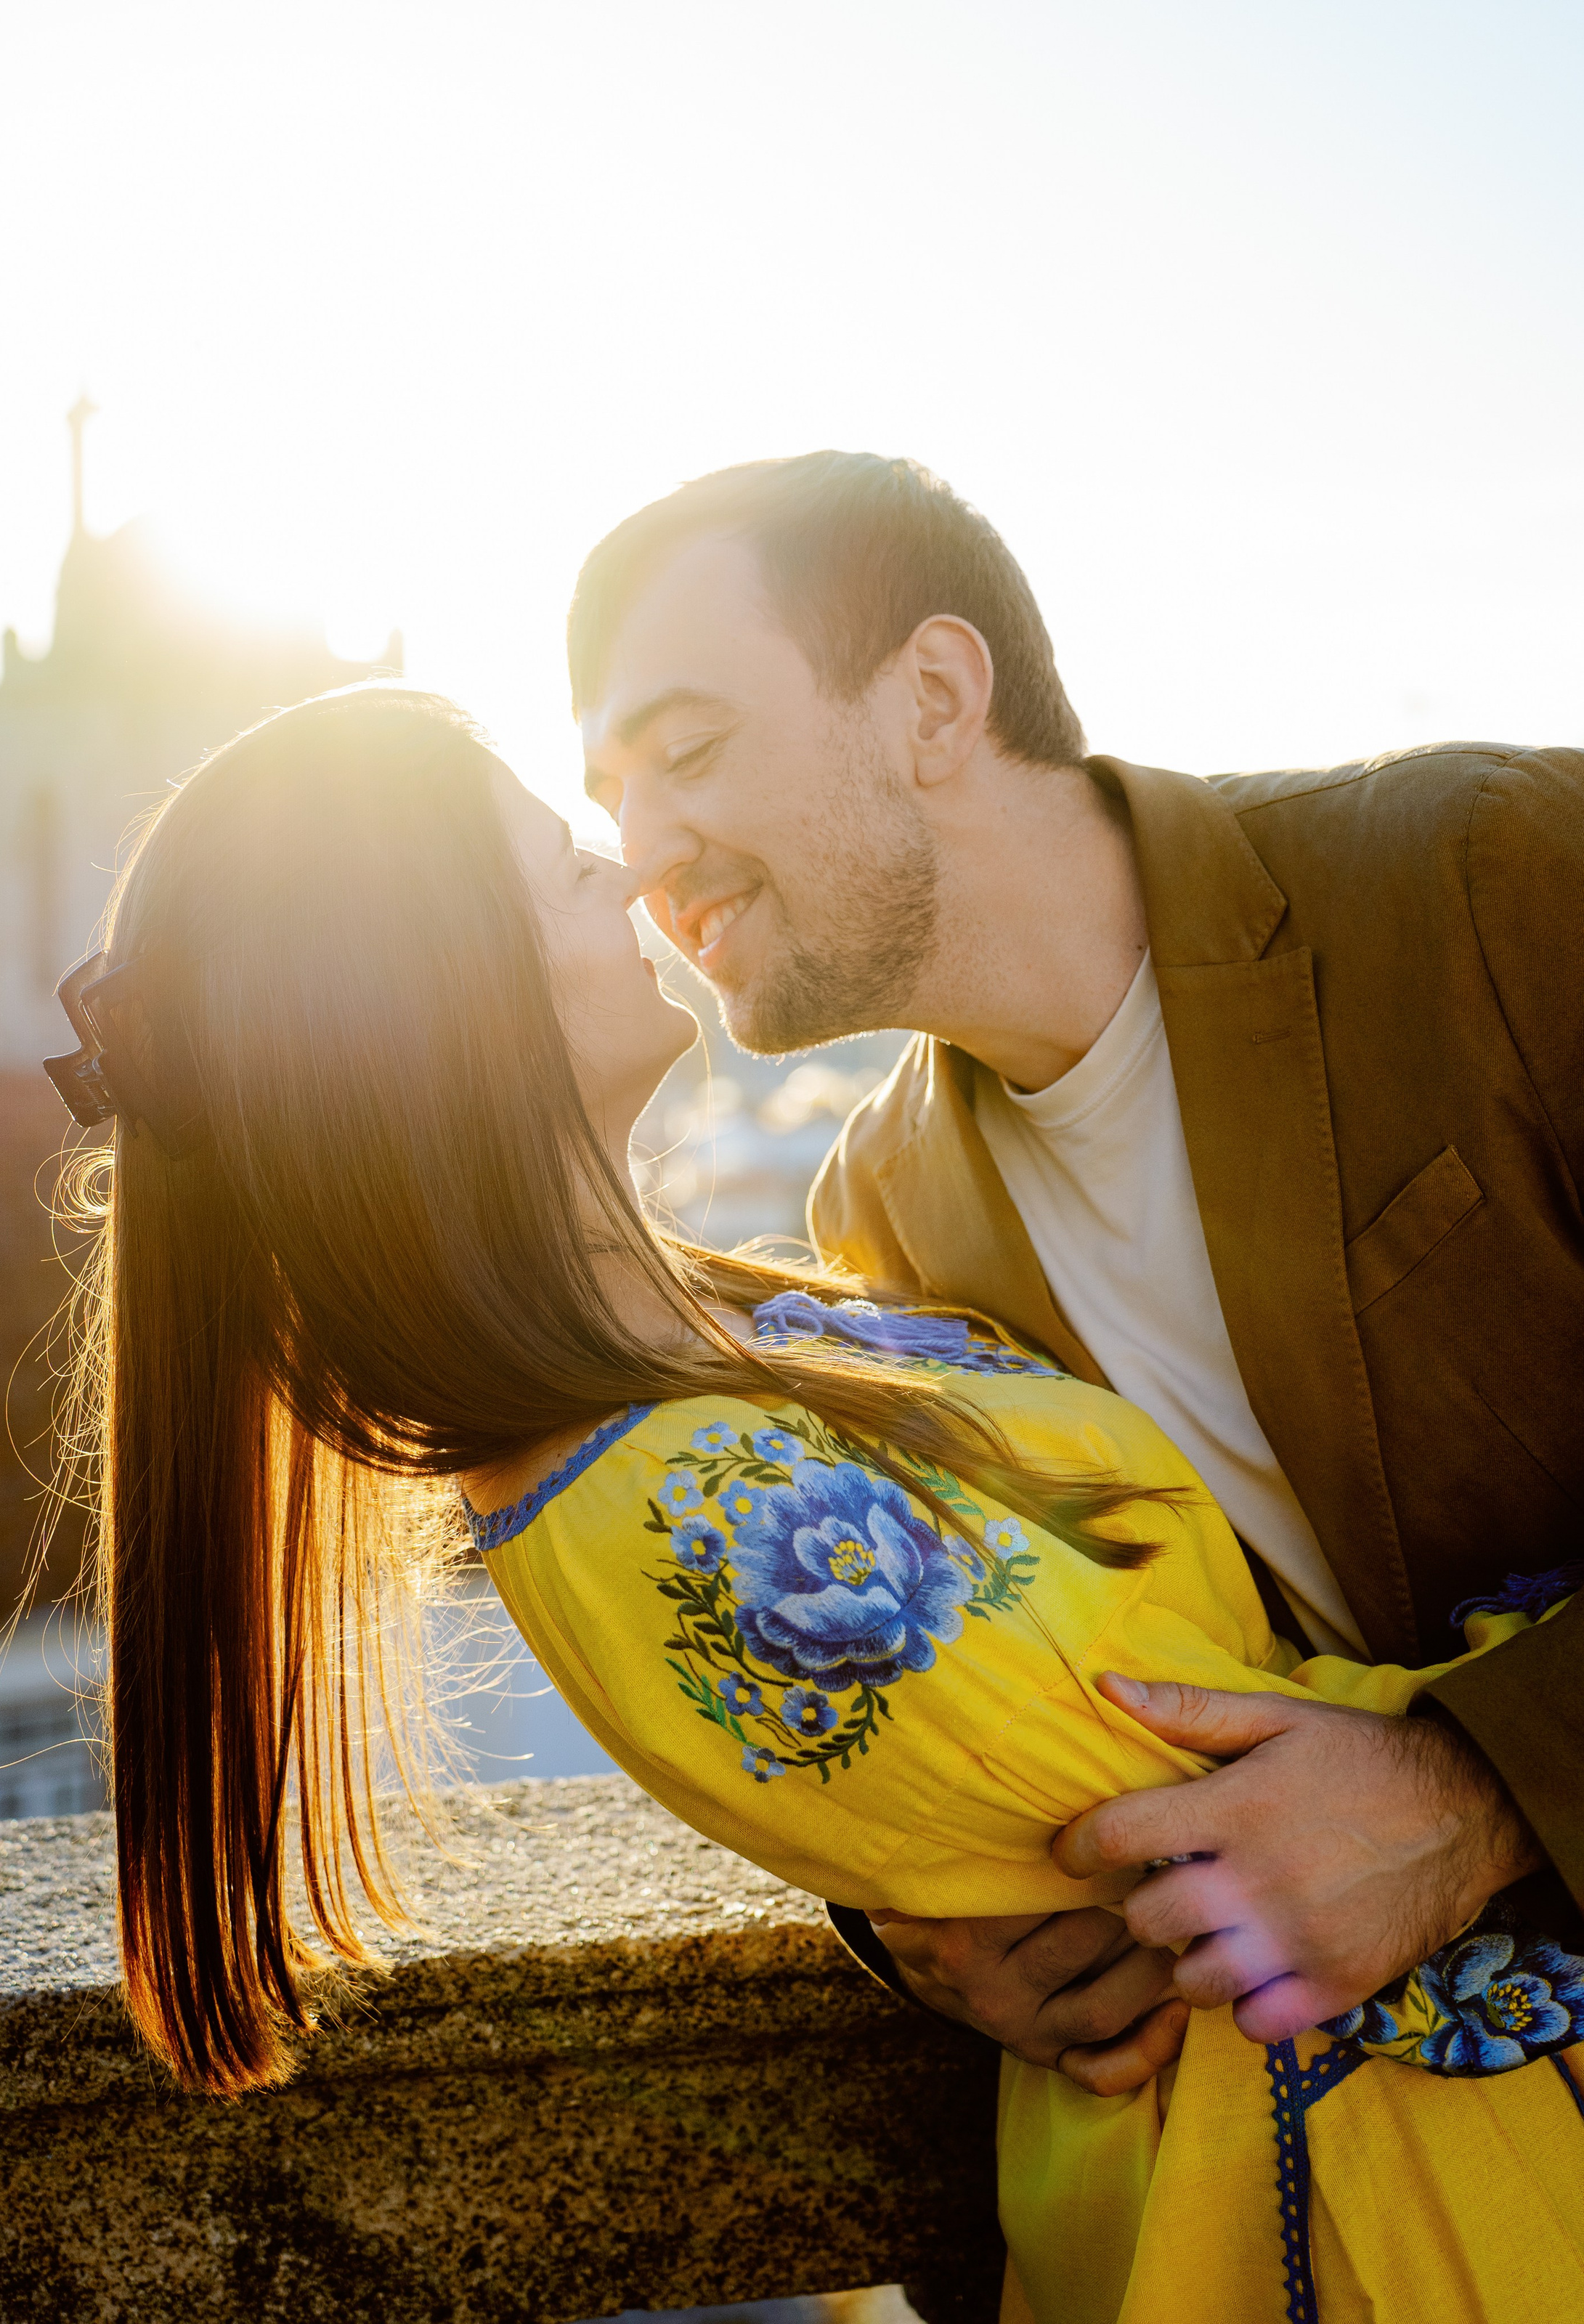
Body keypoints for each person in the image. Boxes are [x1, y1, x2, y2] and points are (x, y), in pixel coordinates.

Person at [46, 686, 1584, 2323]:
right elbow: (1259, 1797)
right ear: (439, 1003)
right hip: (1391, 2225)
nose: (626, 876)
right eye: (560, 863)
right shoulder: (672, 1492)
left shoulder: (722, 1350)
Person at [567, 450, 1584, 2094]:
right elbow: (976, 1677)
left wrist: (1474, 1793)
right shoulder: (884, 1213)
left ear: (933, 696)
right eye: (609, 789)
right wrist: (938, 1939)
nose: (635, 850)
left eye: (685, 750)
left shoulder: (1493, 878)